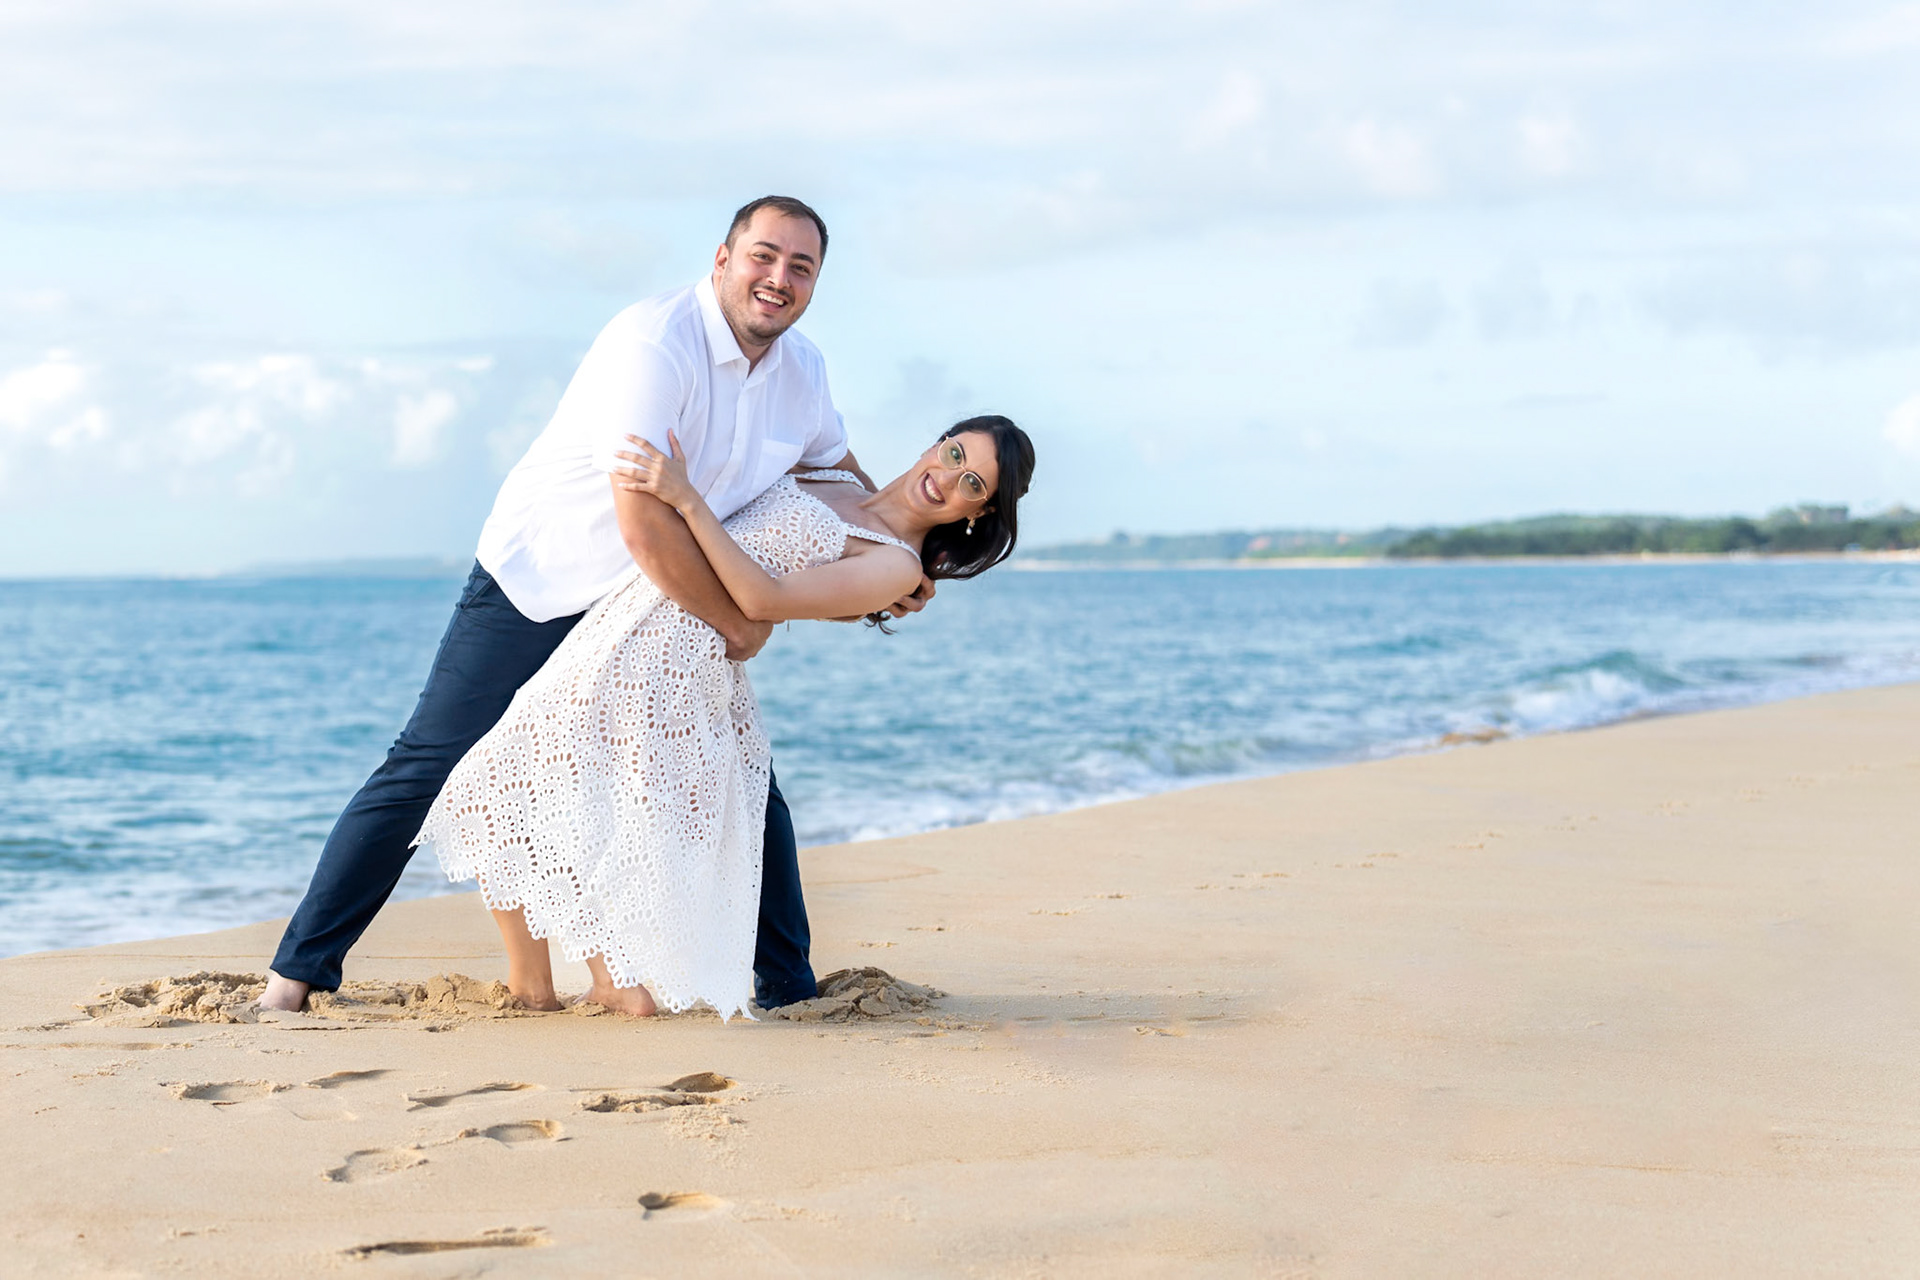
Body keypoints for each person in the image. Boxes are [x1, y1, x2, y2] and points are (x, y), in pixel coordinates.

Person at [259, 195, 924, 1013]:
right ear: (722, 259)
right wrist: (736, 619)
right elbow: (641, 521)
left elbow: (835, 469)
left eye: (800, 266)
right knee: (432, 762)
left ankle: (785, 985)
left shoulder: (802, 372)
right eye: (763, 255)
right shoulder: (655, 343)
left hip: (654, 608)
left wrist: (904, 550)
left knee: (744, 779)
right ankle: (295, 976)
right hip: (547, 577)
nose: (777, 278)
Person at [413, 416, 1035, 1018]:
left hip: (674, 651)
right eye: (956, 454)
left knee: (492, 789)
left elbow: (765, 597)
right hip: (633, 615)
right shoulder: (840, 480)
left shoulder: (898, 566)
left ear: (978, 513)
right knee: (528, 793)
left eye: (974, 485)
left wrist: (686, 500)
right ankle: (588, 983)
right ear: (940, 441)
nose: (950, 478)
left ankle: (569, 985)